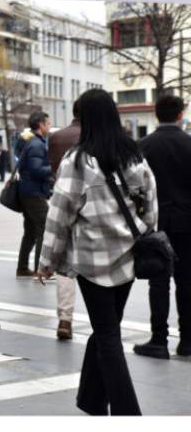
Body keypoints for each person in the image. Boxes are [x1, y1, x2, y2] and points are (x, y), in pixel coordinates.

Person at [38, 88, 156, 416]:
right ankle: (91, 400)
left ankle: (128, 414)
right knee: (108, 328)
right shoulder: (134, 155)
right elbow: (151, 205)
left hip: (91, 262)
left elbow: (59, 214)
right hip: (128, 259)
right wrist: (144, 234)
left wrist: (47, 261)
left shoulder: (77, 161)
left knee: (106, 334)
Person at [135, 94, 191, 358]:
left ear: (156, 114)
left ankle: (159, 339)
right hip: (187, 223)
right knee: (187, 281)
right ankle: (188, 340)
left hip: (155, 223)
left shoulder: (143, 146)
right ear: (180, 114)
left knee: (158, 282)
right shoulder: (189, 144)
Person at [47, 101, 82, 341]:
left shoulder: (57, 137)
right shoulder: (96, 138)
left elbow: (52, 169)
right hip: (91, 206)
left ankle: (65, 319)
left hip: (61, 199)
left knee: (64, 265)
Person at [16, 111, 52, 278]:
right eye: (48, 124)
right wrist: (54, 166)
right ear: (40, 125)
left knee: (30, 232)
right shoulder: (37, 144)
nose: (49, 127)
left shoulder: (33, 142)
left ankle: (22, 268)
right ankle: (41, 270)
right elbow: (36, 169)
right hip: (34, 192)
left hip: (27, 191)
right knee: (44, 229)